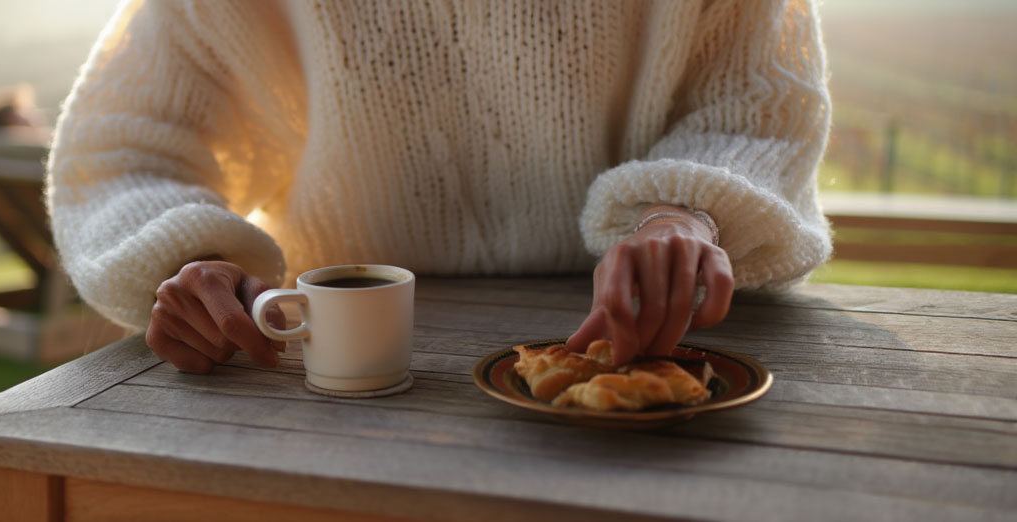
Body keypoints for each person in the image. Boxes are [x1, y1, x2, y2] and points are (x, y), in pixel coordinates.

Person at [47, 0, 832, 374]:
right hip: (335, 379)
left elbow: (759, 104)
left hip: (666, 355)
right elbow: (123, 152)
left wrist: (684, 215)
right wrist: (194, 261)